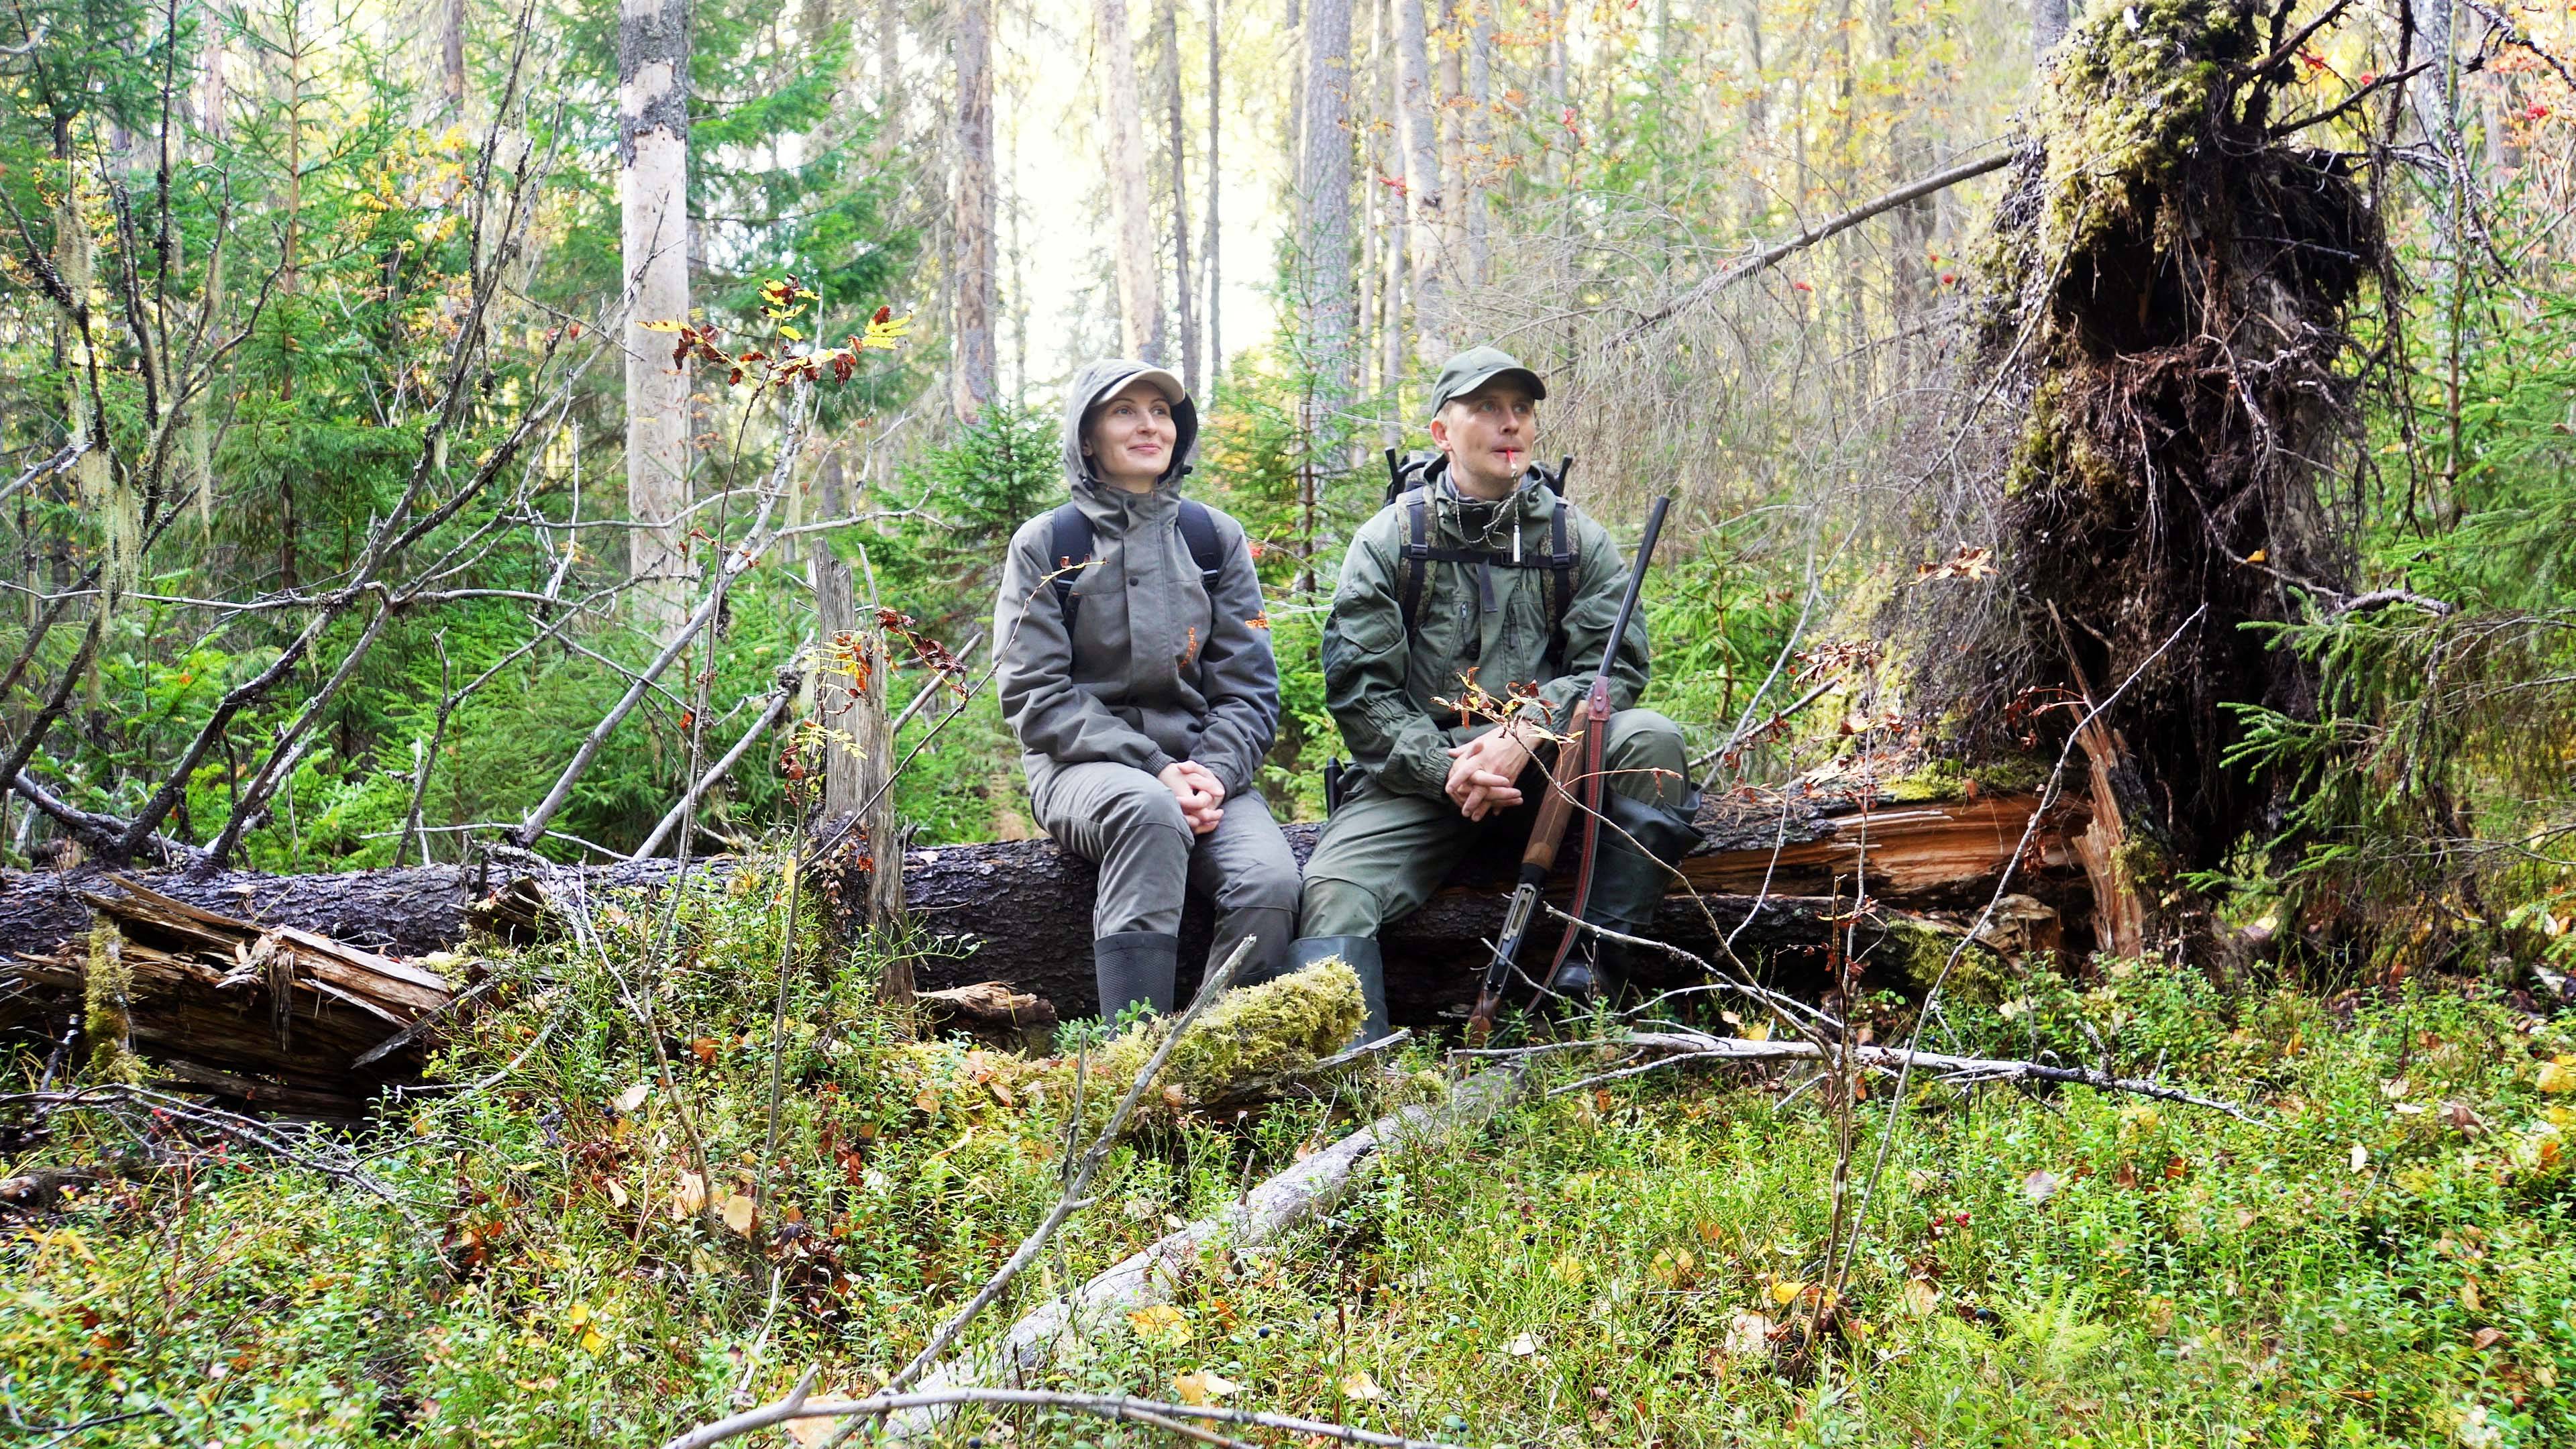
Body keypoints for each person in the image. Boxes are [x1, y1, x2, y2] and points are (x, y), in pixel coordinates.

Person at [1289, 347, 1701, 1041]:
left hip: (1549, 762)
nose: (1510, 425)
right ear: (1442, 434)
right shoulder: (1391, 540)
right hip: (1418, 777)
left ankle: (1592, 978)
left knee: (1652, 739)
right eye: (1487, 409)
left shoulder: (1575, 540)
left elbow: (1615, 669)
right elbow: (1361, 694)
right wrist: (1449, 768)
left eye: (1522, 410)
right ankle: (1353, 1078)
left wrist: (1528, 728)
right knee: (1334, 894)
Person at [993, 360, 1301, 1019]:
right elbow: (1033, 696)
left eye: (1161, 411)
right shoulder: (1049, 543)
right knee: (1148, 810)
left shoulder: (1214, 538)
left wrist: (1215, 773)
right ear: (1087, 437)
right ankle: (1131, 1067)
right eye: (1125, 411)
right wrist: (1156, 769)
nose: (1148, 425)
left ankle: (1215, 1065)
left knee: (1272, 883)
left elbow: (1251, 687)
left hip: (1203, 768)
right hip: (1085, 768)